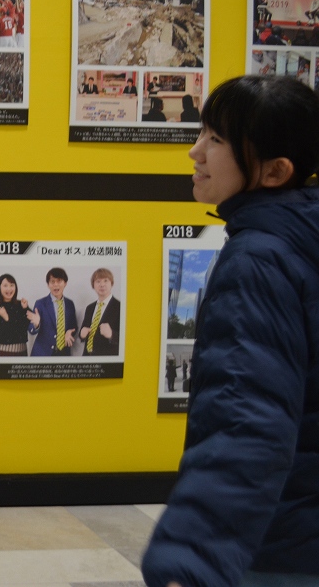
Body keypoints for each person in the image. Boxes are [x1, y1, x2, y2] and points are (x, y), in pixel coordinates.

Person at [142, 74, 319, 587]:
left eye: (217, 140)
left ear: (275, 170)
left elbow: (246, 421)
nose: (195, 151)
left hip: (284, 546)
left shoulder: (258, 261)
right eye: (202, 131)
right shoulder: (301, 239)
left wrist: (192, 561)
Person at [27, 268, 78, 357]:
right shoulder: (40, 303)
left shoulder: (70, 304)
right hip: (43, 353)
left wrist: (69, 332)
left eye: (59, 281)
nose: (55, 285)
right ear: (48, 284)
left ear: (65, 283)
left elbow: (74, 326)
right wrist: (36, 324)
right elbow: (31, 330)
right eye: (52, 282)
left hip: (63, 353)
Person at [78, 268, 121, 356]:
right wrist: (81, 335)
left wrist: (112, 334)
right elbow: (83, 332)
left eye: (105, 281)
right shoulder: (90, 308)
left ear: (111, 283)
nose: (102, 285)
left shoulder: (119, 307)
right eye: (98, 281)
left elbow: (129, 338)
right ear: (93, 285)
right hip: (87, 357)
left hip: (107, 358)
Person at [0, 273, 30, 357]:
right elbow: (0, 333)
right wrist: (6, 318)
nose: (9, 289)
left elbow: (28, 326)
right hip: (4, 352)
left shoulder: (21, 304)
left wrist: (25, 308)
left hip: (22, 352)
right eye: (5, 286)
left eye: (11, 285)